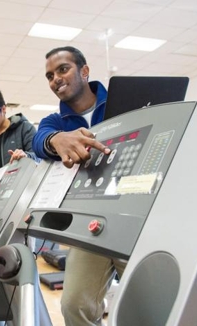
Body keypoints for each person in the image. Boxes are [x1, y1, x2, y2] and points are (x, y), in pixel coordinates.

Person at [32, 46, 126, 326]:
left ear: (85, 71)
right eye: (50, 75)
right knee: (74, 305)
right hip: (92, 221)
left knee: (151, 300)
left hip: (136, 213)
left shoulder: (121, 103)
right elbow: (41, 140)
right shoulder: (55, 121)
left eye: (63, 69)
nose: (56, 79)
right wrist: (56, 140)